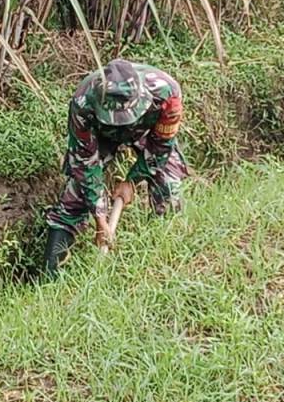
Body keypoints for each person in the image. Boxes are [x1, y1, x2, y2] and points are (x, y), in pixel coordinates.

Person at [44, 59, 188, 275]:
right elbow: (85, 162)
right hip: (103, 136)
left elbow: (161, 146)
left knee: (168, 186)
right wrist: (100, 219)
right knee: (74, 195)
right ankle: (50, 280)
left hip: (147, 133)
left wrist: (132, 181)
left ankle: (165, 263)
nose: (121, 121)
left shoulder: (168, 93)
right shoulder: (83, 102)